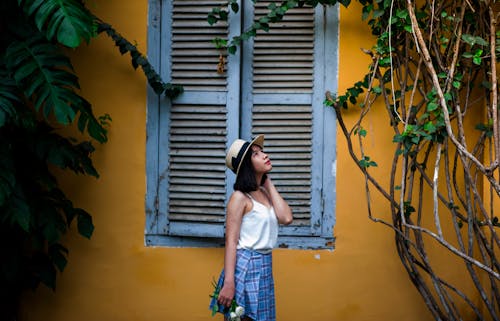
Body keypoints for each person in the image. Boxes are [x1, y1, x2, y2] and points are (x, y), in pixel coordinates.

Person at [210, 134, 293, 321]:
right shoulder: (239, 198)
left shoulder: (264, 192)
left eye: (262, 151)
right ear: (247, 164)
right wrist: (229, 282)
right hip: (245, 266)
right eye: (256, 154)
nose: (264, 155)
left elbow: (286, 218)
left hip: (264, 266)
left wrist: (267, 182)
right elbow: (231, 242)